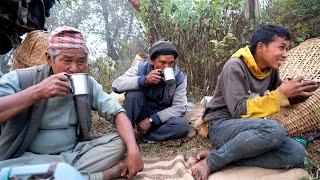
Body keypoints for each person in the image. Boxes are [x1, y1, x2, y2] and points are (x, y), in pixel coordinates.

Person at [0, 26, 143, 180]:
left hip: (74, 154)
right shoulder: (21, 79)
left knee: (122, 141)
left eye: (81, 61)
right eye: (67, 60)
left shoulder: (87, 83)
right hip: (27, 158)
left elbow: (117, 113)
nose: (74, 69)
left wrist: (133, 150)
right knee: (4, 169)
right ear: (49, 59)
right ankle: (96, 176)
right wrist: (38, 92)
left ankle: (56, 173)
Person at [191, 24, 319, 179]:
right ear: (261, 47)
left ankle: (224, 154)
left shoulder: (270, 70)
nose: (285, 54)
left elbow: (278, 93)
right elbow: (238, 110)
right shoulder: (235, 67)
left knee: (296, 153)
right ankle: (212, 161)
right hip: (221, 125)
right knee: (274, 130)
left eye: (287, 49)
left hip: (250, 130)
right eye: (281, 47)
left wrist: (296, 96)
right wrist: (281, 95)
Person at [112, 39, 189, 142]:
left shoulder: (180, 77)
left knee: (182, 125)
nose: (167, 67)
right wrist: (144, 80)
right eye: (162, 62)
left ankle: (141, 136)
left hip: (161, 116)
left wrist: (152, 120)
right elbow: (116, 85)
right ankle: (126, 132)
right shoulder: (141, 68)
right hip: (142, 111)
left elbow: (179, 107)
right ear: (152, 61)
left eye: (171, 63)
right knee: (133, 95)